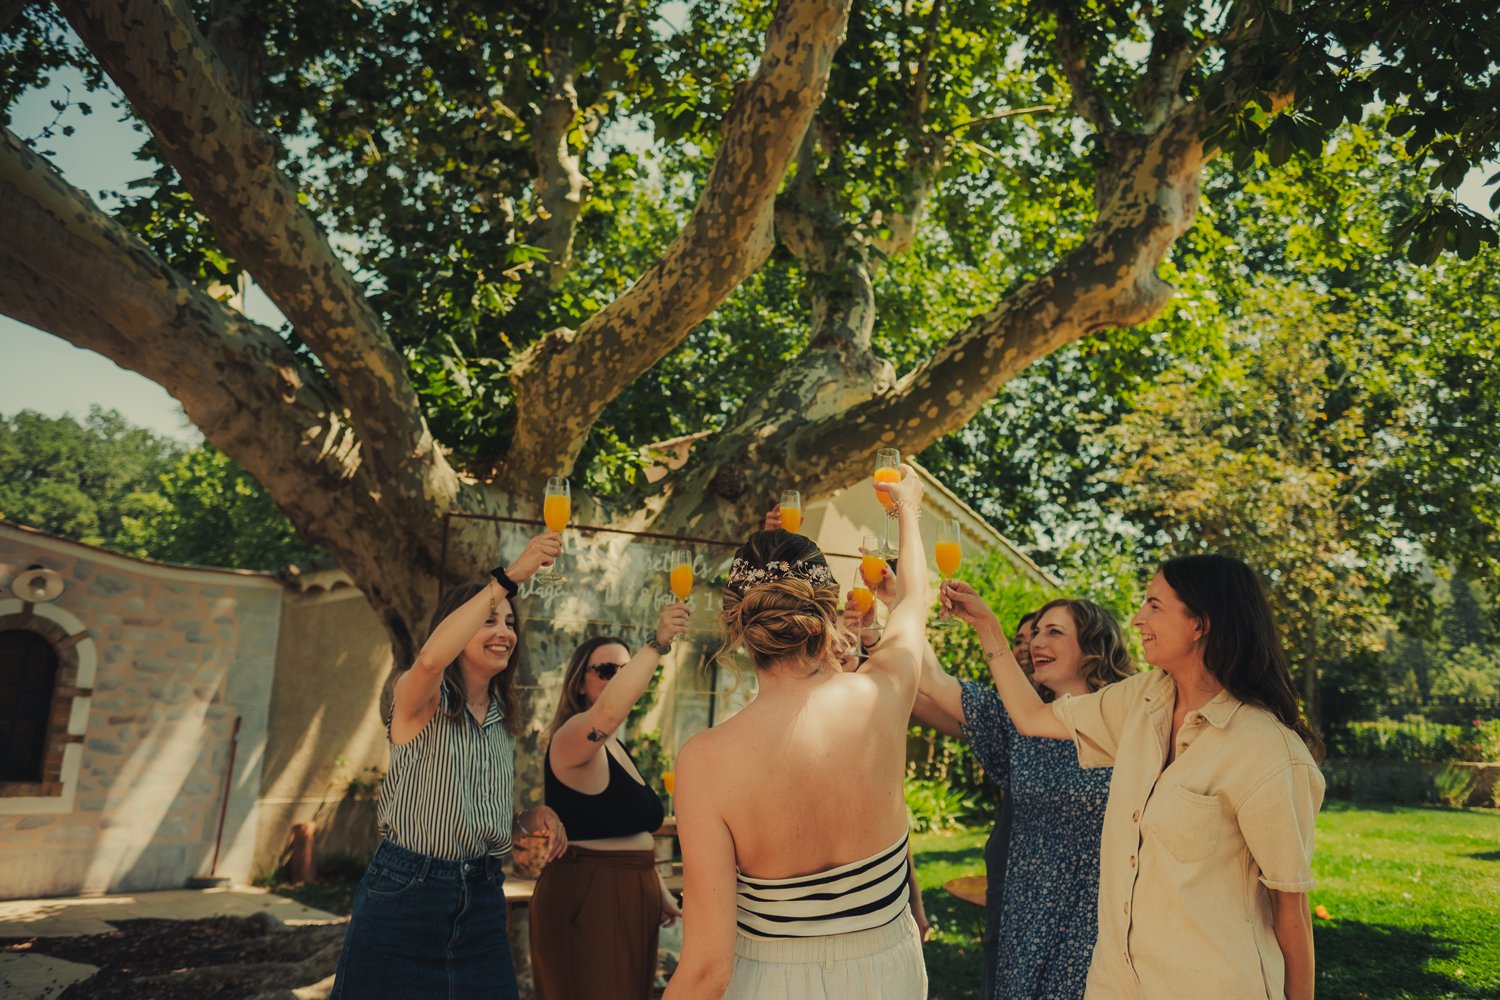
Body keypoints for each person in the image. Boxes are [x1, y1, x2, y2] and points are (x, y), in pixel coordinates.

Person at [941, 554, 1325, 1000]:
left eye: (1154, 605)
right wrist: (986, 627)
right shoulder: (1143, 699)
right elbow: (1031, 717)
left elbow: (1291, 911)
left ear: (1200, 624)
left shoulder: (1267, 752)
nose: (1138, 618)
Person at [665, 466, 930, 999]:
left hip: (772, 980)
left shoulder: (704, 760)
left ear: (736, 625)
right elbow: (913, 601)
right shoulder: (883, 692)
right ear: (828, 612)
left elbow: (708, 969)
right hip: (891, 972)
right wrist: (908, 509)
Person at [331, 532, 570, 999]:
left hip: (481, 900)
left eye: (509, 623)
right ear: (456, 630)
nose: (503, 632)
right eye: (488, 621)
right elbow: (429, 659)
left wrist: (528, 819)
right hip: (405, 897)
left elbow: (474, 817)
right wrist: (509, 578)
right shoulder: (420, 699)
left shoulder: (502, 719)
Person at [920, 599, 1134, 999]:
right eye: (1036, 632)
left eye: (1054, 632)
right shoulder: (1019, 721)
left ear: (1092, 646)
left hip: (1097, 916)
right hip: (1027, 911)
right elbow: (930, 680)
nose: (1036, 642)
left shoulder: (1128, 721)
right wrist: (901, 603)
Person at [529, 602, 692, 1000]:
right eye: (606, 671)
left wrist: (657, 888)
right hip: (591, 892)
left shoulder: (617, 747)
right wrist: (657, 644)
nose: (618, 678)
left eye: (625, 669)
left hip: (632, 890)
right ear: (579, 684)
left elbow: (626, 830)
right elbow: (608, 710)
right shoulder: (572, 735)